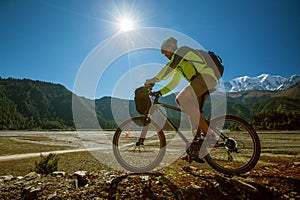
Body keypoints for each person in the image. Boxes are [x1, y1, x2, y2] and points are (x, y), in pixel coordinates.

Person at [145, 37, 218, 163]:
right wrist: (160, 92)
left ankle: (210, 135)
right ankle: (195, 150)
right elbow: (174, 82)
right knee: (193, 114)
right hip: (200, 82)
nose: (165, 55)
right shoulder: (180, 64)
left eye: (165, 52)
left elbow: (169, 67)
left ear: (171, 46)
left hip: (205, 78)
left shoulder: (183, 51)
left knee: (181, 99)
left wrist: (154, 80)